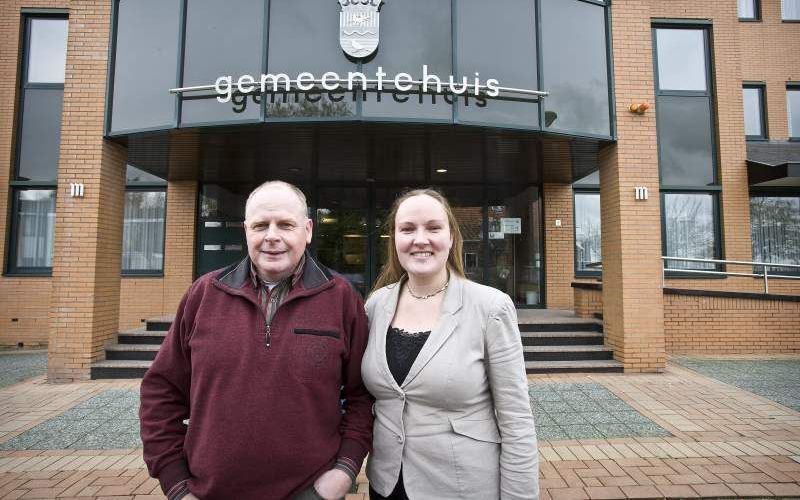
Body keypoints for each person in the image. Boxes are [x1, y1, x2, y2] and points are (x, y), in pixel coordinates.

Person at [140, 181, 373, 500]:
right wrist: (176, 483)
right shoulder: (204, 294)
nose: (272, 236)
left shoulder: (341, 298)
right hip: (211, 492)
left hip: (310, 494)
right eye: (261, 225)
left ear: (307, 230)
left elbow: (363, 395)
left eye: (286, 224)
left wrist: (344, 471)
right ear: (246, 230)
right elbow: (161, 390)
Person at [362, 188, 539, 499]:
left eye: (433, 227)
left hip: (460, 485)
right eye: (407, 229)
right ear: (394, 240)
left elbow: (516, 419)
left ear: (451, 237)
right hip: (387, 484)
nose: (420, 239)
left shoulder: (490, 307)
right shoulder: (376, 305)